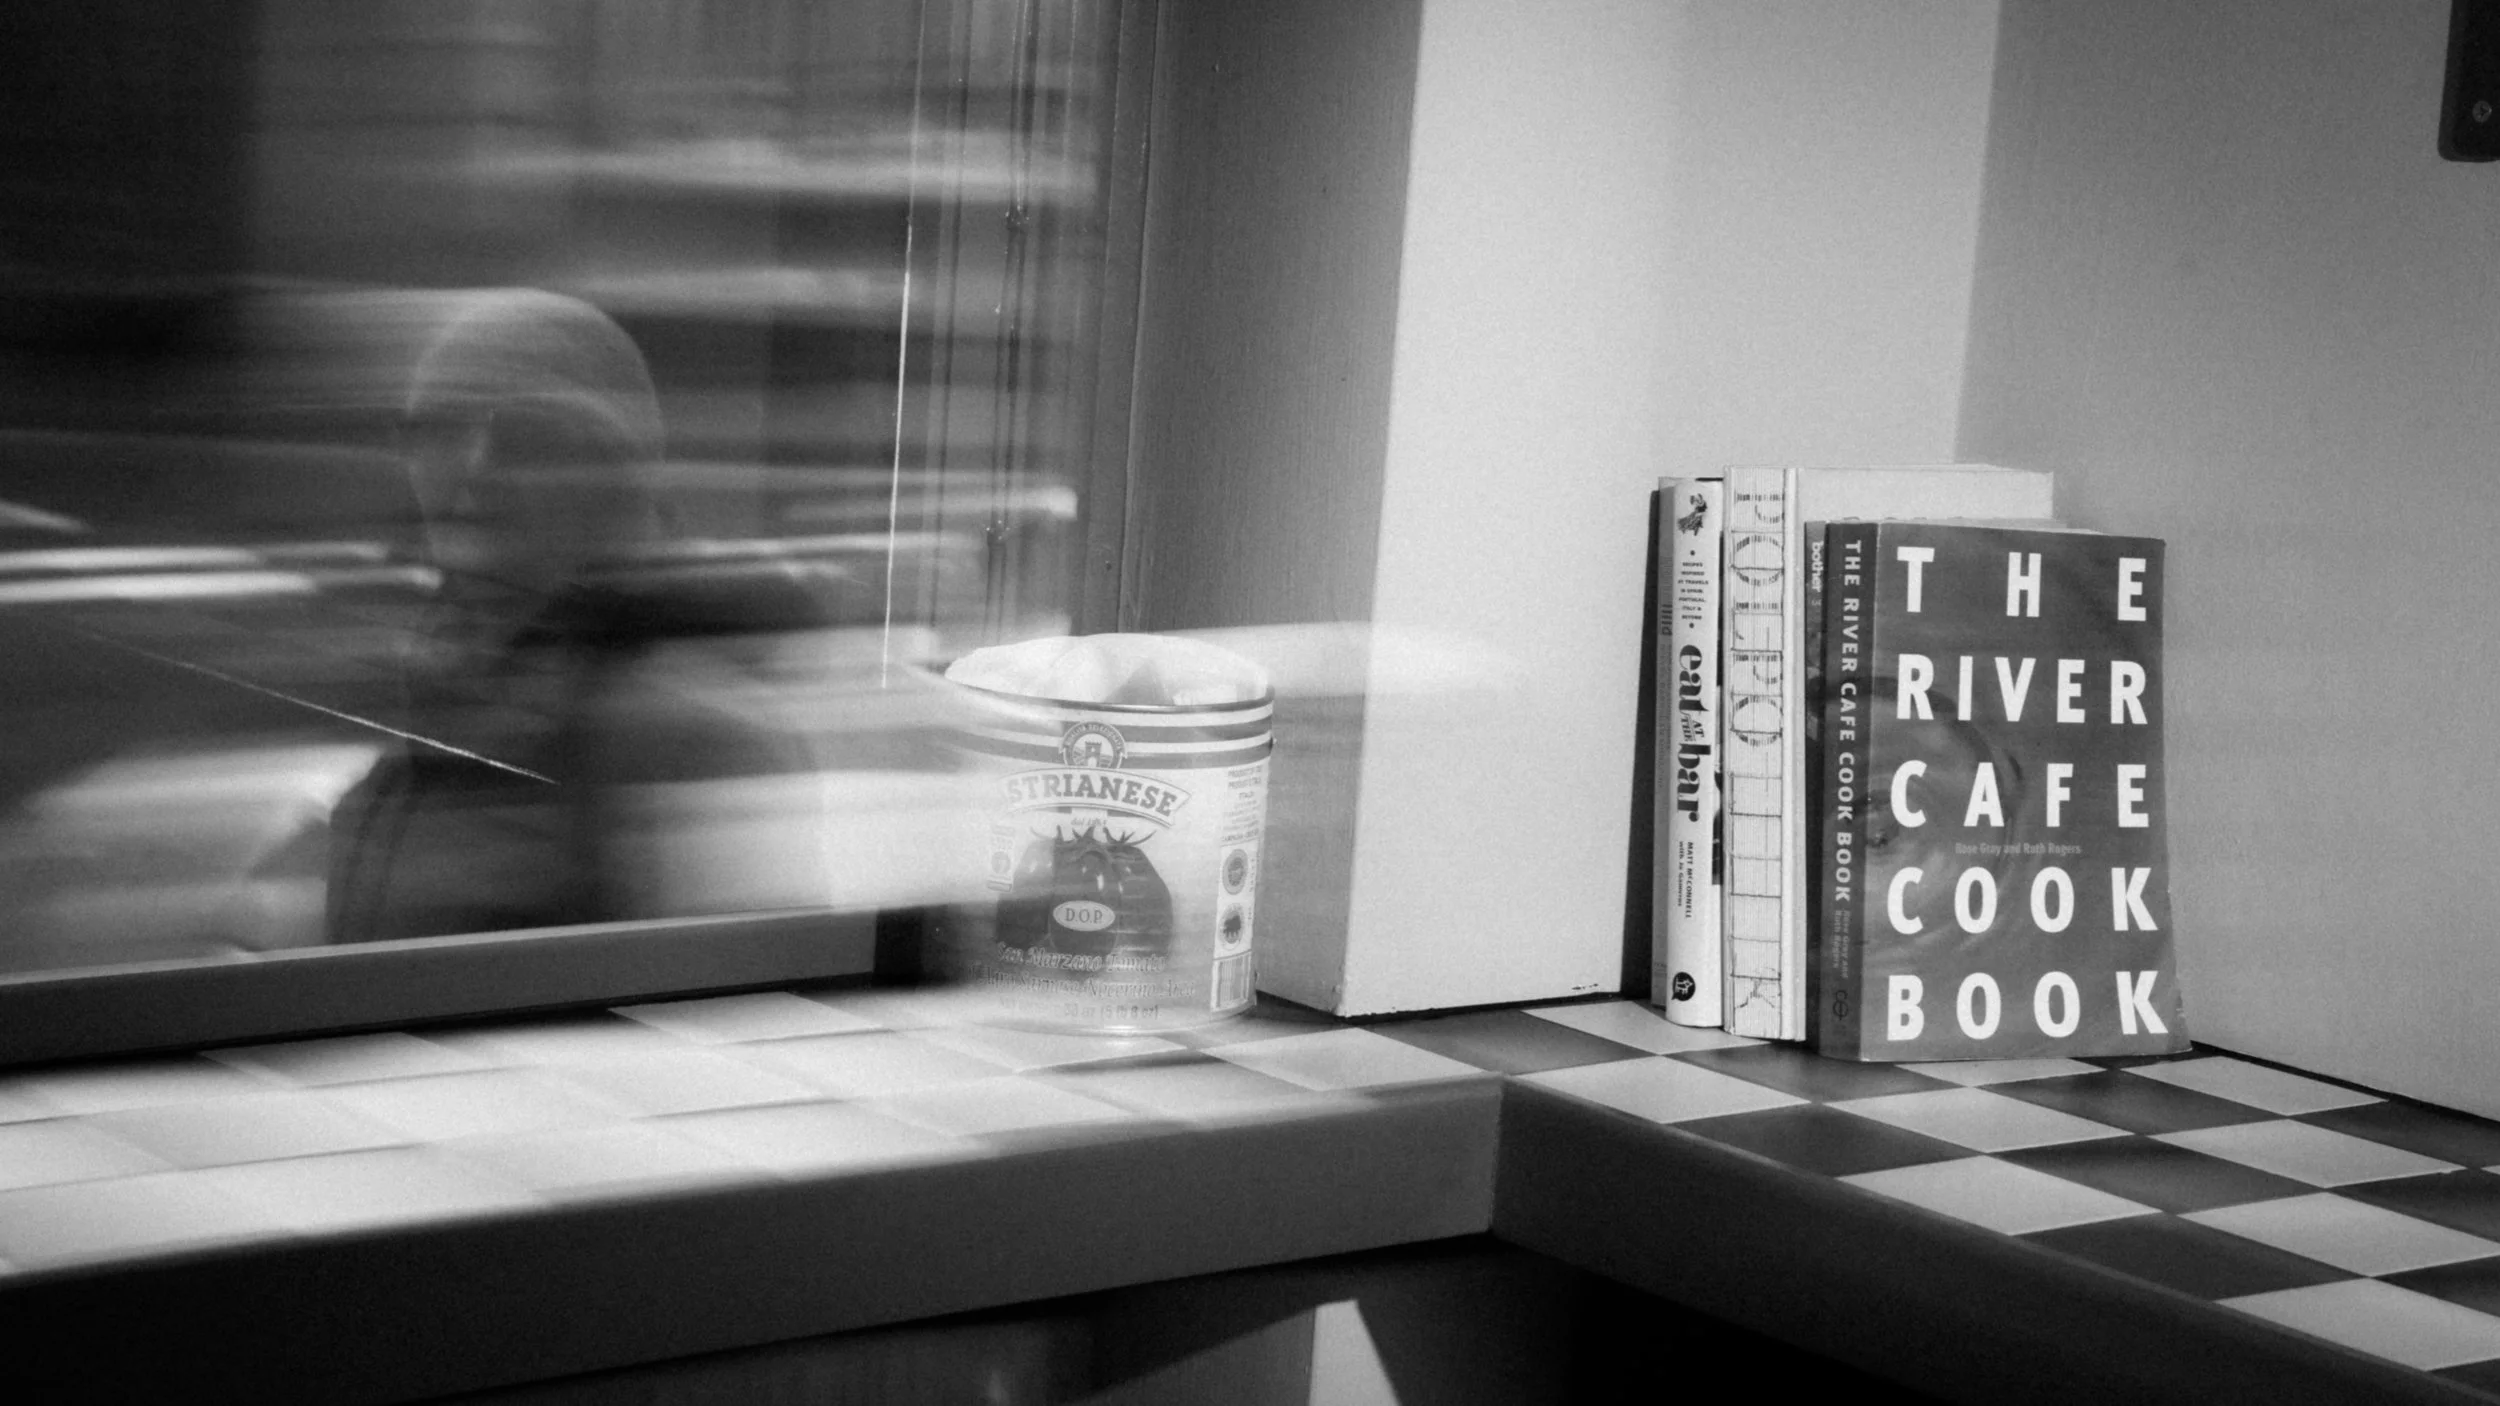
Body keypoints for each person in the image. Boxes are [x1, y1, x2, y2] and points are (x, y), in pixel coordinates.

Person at [327, 289, 852, 942]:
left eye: (523, 436)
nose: (472, 466)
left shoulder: (701, 739)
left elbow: (748, 1007)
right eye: (437, 429)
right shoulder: (441, 698)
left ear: (612, 474)